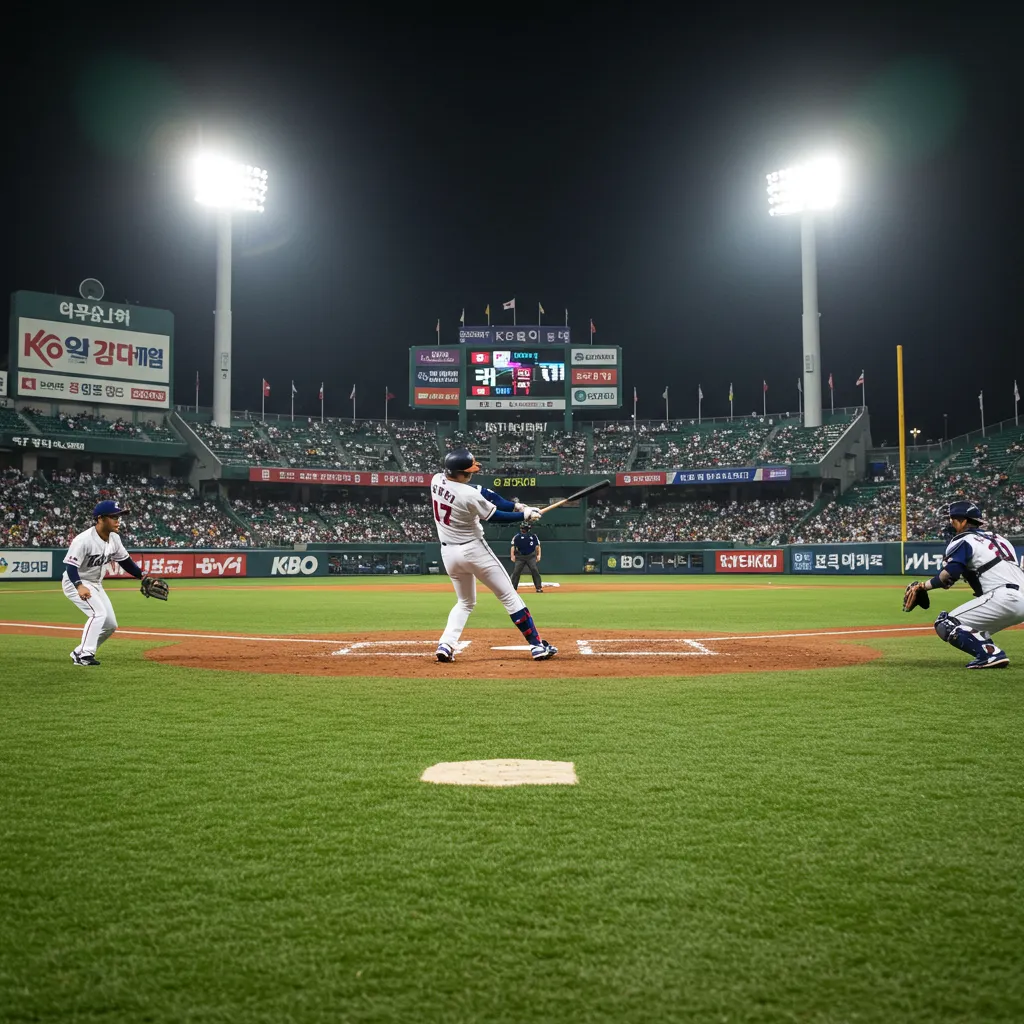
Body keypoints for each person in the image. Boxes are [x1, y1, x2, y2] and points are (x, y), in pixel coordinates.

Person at [430, 448, 557, 662]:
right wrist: (524, 515)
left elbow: (486, 494)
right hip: (473, 550)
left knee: (465, 602)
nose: (471, 474)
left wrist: (518, 506)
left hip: (449, 554)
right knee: (509, 596)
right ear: (460, 473)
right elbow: (495, 516)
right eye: (468, 471)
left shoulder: (436, 480)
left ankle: (446, 644)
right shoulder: (468, 495)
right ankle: (537, 646)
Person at [919, 499, 1024, 669]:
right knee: (974, 630)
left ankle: (990, 654)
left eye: (953, 519)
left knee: (946, 623)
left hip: (1005, 597)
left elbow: (950, 574)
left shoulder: (964, 539)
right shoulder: (1000, 539)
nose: (951, 524)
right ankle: (989, 650)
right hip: (1018, 597)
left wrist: (923, 586)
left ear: (963, 521)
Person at [62, 500, 146, 666]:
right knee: (98, 613)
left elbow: (125, 561)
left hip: (95, 584)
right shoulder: (83, 540)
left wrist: (143, 576)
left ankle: (79, 651)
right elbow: (71, 567)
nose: (118, 521)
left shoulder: (114, 538)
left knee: (110, 624)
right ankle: (85, 655)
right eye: (113, 517)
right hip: (76, 582)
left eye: (118, 517)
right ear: (100, 519)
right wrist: (79, 585)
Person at [509, 521, 543, 593]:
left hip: (531, 556)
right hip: (520, 556)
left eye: (524, 528)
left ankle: (538, 588)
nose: (523, 529)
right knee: (516, 571)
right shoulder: (517, 536)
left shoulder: (533, 536)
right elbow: (513, 546)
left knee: (534, 570)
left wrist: (538, 555)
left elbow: (538, 546)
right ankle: (513, 588)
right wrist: (512, 555)